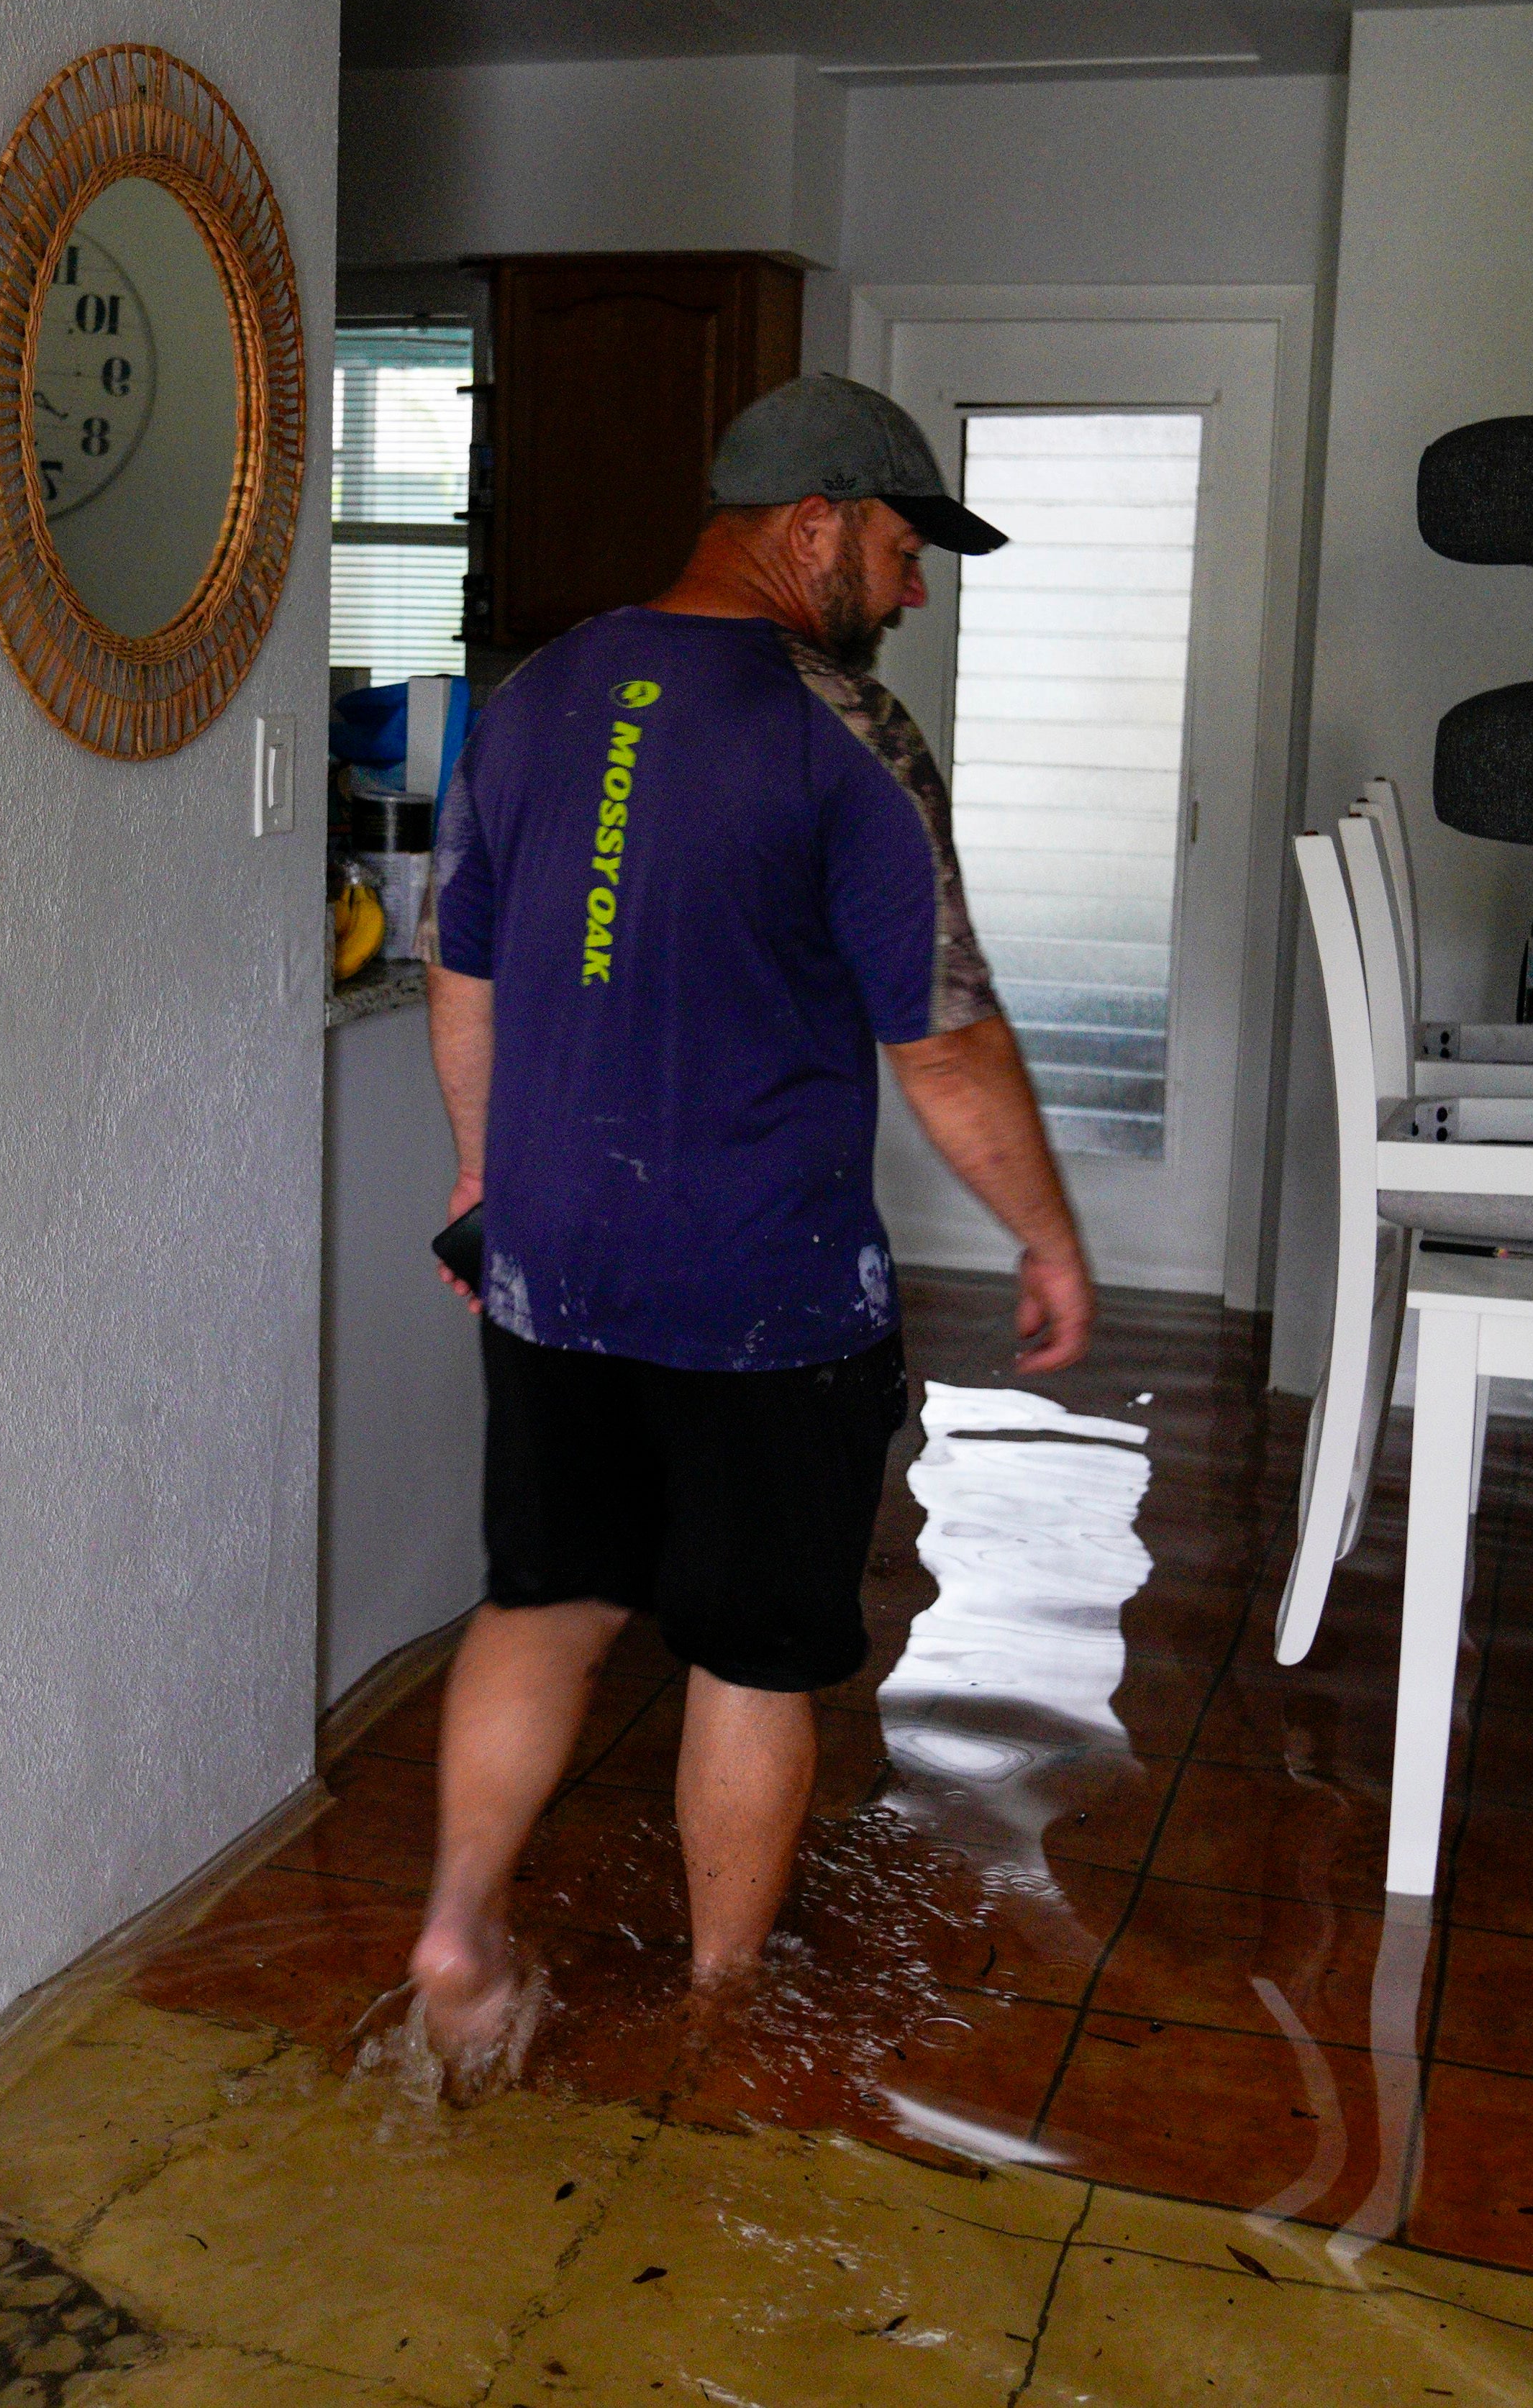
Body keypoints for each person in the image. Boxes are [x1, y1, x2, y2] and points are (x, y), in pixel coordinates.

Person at [408, 372, 1095, 2068]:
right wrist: (1050, 1236)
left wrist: (489, 1174)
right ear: (814, 527)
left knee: (544, 1598)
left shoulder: (537, 691)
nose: (916, 585)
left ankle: (456, 1929)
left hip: (556, 1263)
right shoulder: (841, 730)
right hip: (766, 1289)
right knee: (751, 1653)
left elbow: (464, 964)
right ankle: (720, 2006)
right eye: (903, 543)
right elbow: (940, 1039)